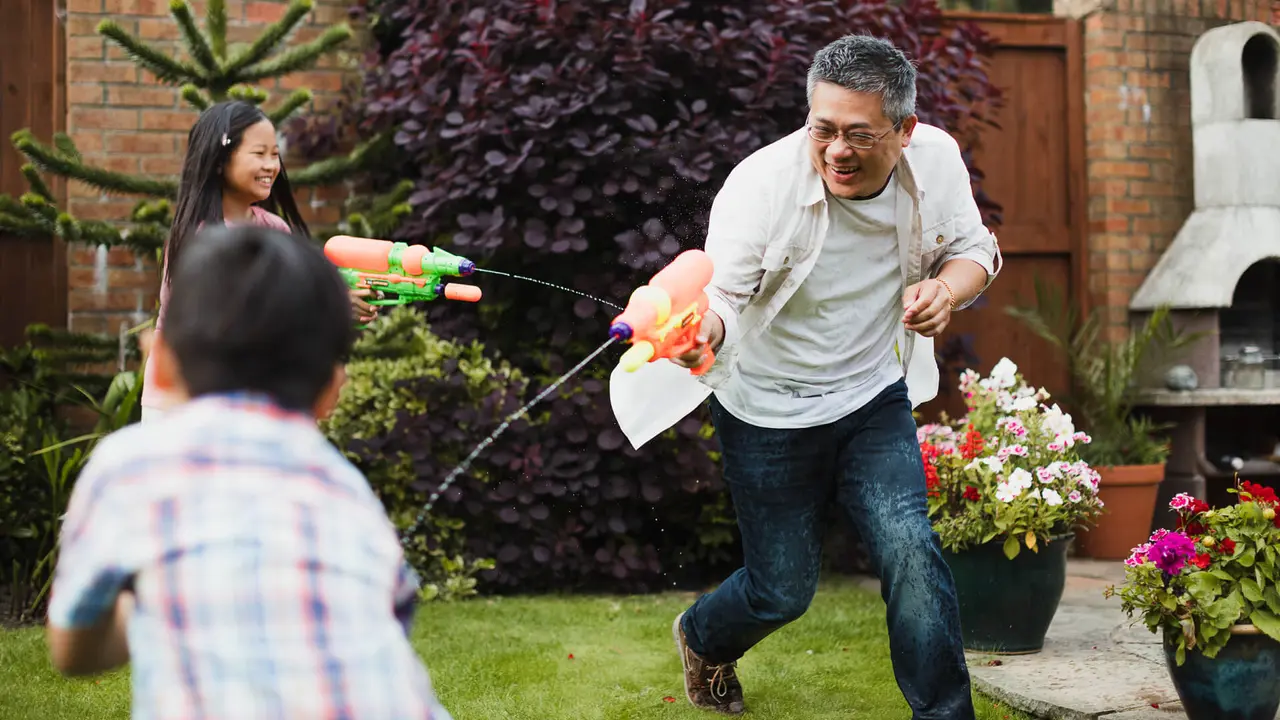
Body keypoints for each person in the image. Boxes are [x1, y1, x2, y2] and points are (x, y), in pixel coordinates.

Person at [608, 35, 1003, 718]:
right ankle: (703, 635)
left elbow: (974, 251)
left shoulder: (935, 160)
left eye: (860, 134)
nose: (836, 151)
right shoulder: (762, 185)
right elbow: (724, 298)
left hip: (872, 396)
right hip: (767, 409)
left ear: (905, 130)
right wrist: (701, 332)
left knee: (911, 548)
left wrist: (947, 290)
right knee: (782, 590)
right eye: (822, 129)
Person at [45, 225, 452, 720]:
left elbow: (71, 648)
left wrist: (152, 605)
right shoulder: (344, 488)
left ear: (163, 365)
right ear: (330, 389)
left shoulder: (130, 466)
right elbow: (387, 616)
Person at [140, 100, 378, 422]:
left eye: (275, 154)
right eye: (259, 154)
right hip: (182, 398)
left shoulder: (274, 229)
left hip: (248, 397)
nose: (271, 165)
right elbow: (227, 316)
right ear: (220, 160)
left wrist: (335, 307)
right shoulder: (196, 238)